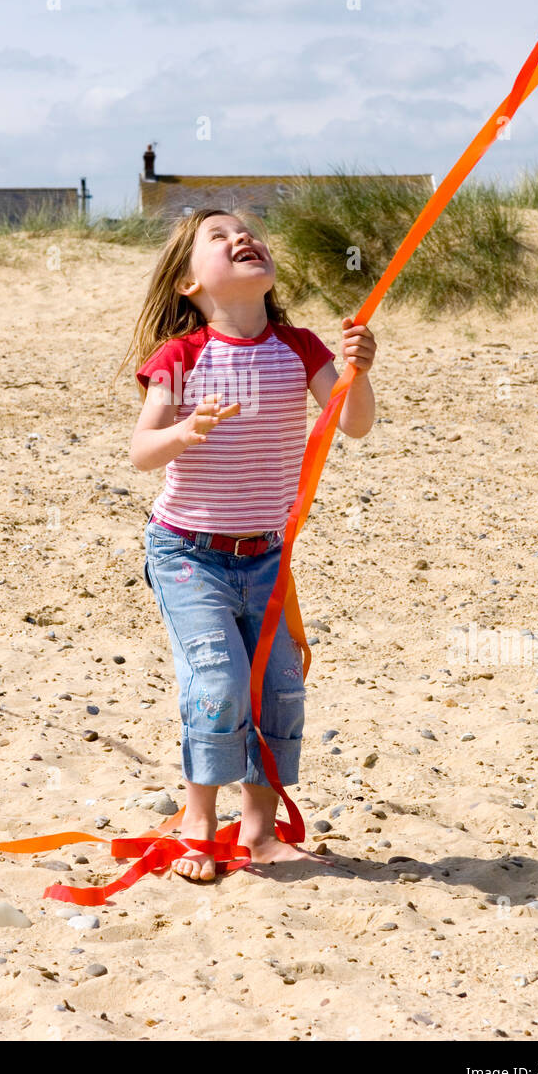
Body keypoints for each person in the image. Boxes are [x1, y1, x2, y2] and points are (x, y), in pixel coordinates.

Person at [124, 208, 376, 881]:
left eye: (249, 231)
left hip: (265, 554)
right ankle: (200, 822)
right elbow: (141, 451)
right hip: (186, 552)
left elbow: (352, 425)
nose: (242, 237)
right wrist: (184, 432)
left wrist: (358, 371)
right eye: (218, 235)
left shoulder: (300, 347)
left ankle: (260, 833)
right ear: (187, 283)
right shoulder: (181, 357)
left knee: (278, 688)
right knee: (219, 682)